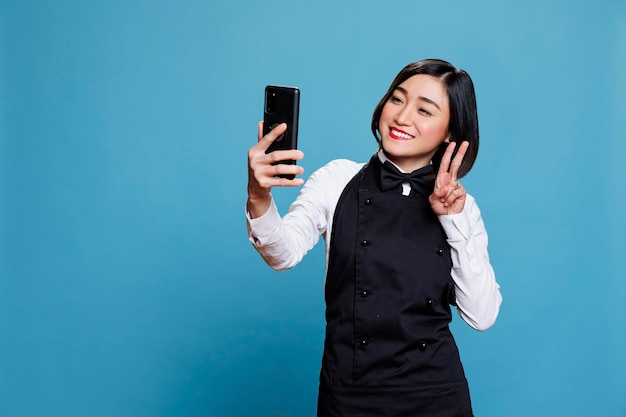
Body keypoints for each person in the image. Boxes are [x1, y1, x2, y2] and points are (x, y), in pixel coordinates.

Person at [246, 58, 502, 417]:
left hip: (436, 396)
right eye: (397, 99)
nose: (402, 116)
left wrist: (453, 219)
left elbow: (482, 315)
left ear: (450, 131)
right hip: (349, 397)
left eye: (424, 110)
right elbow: (281, 254)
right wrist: (259, 196)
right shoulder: (337, 180)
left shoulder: (462, 207)